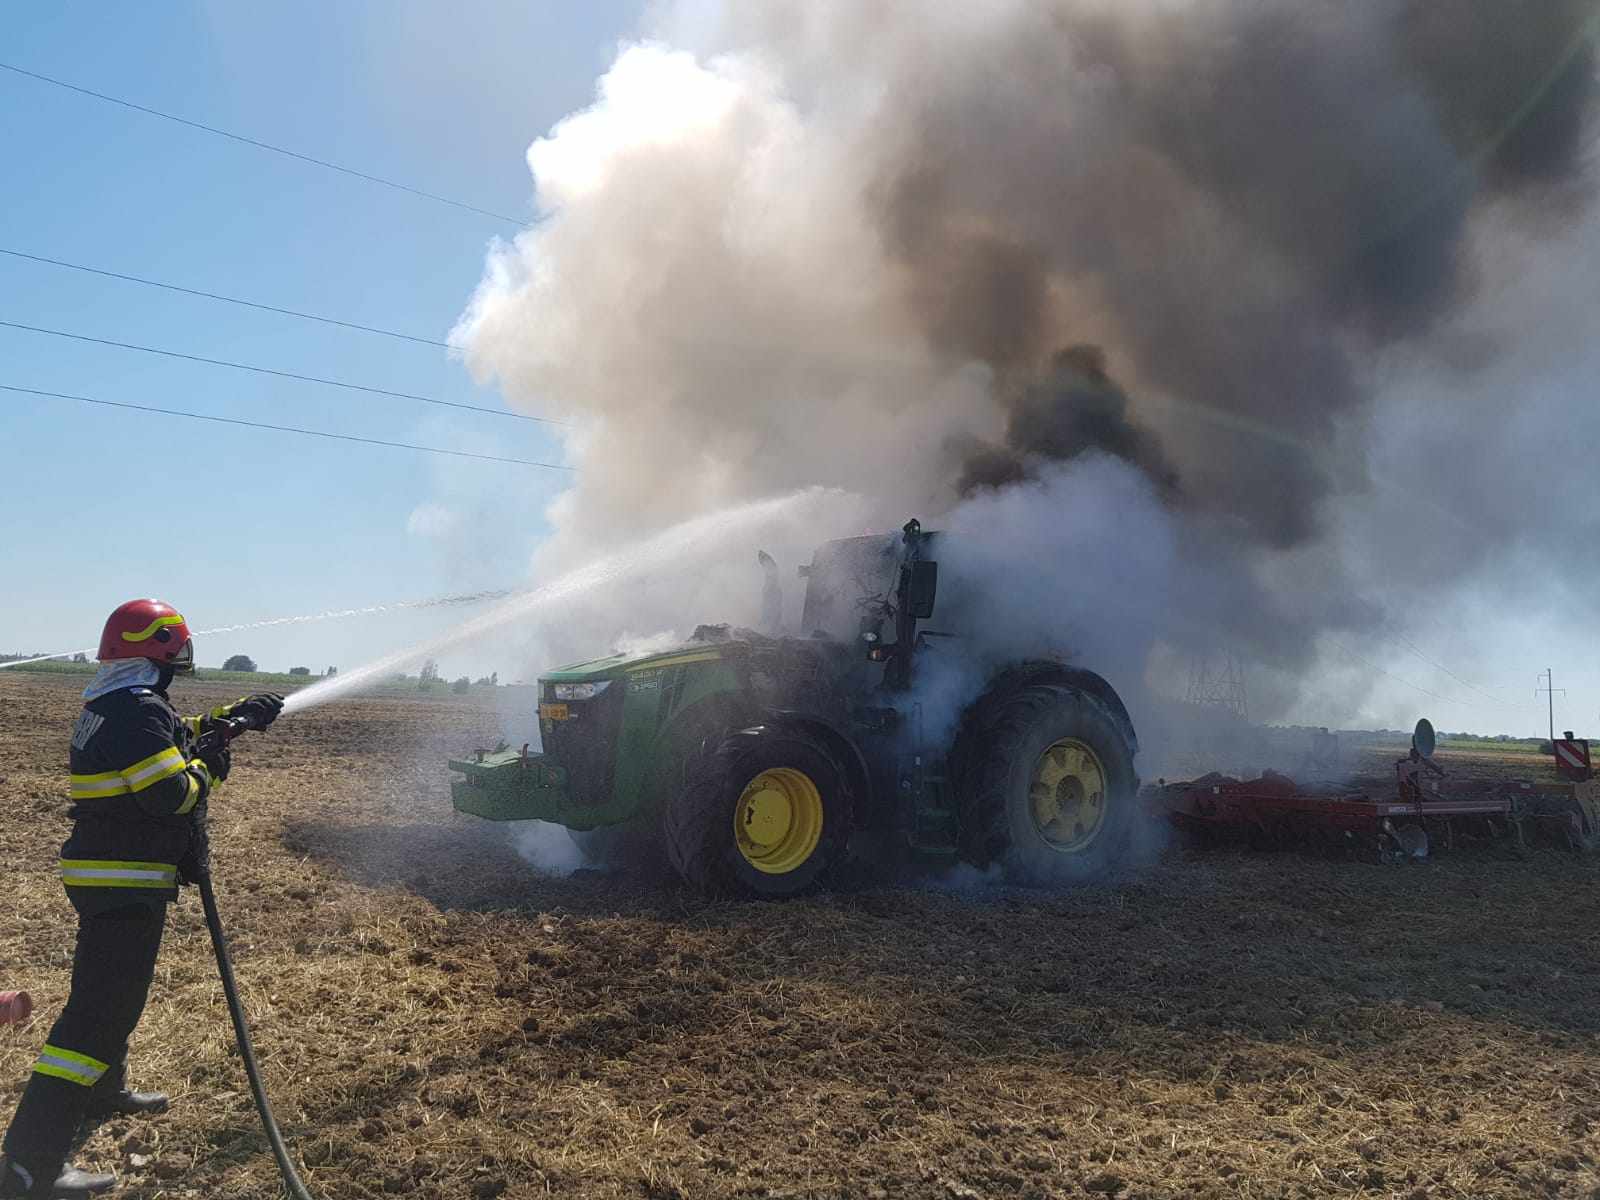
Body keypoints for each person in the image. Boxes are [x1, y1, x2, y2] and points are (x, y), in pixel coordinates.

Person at [0, 601, 283, 1198]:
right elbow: (171, 795)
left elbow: (169, 738)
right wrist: (212, 764)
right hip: (120, 879)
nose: (181, 661)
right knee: (97, 1017)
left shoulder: (120, 704)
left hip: (112, 874)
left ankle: (105, 1091)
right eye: (176, 650)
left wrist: (231, 718)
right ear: (158, 651)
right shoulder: (134, 711)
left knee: (111, 1000)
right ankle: (29, 1166)